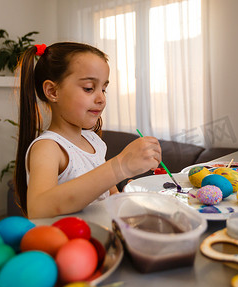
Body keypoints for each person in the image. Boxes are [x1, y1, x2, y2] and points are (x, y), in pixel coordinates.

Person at [14, 42, 161, 218]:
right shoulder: (48, 148)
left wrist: (126, 198)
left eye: (104, 89)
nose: (101, 99)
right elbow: (39, 208)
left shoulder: (93, 141)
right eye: (89, 88)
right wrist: (119, 166)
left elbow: (110, 194)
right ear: (52, 91)